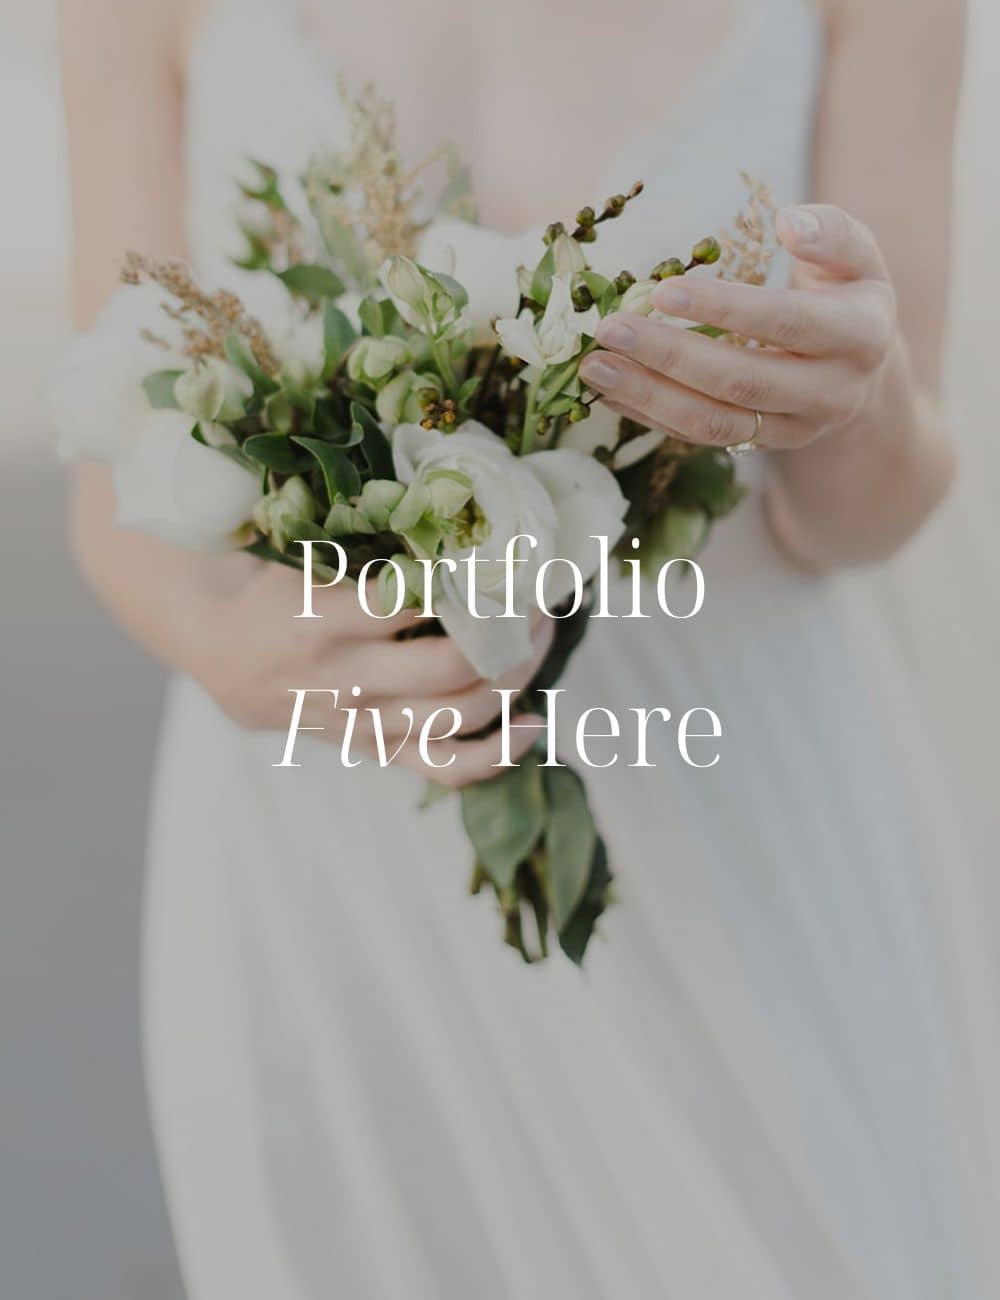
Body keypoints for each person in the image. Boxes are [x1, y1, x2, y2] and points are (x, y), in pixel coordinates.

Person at [59, 1, 983, 1296]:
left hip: (732, 813)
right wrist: (221, 649)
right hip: (325, 831)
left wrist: (859, 401)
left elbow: (860, 518)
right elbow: (110, 457)